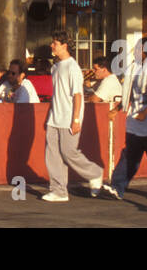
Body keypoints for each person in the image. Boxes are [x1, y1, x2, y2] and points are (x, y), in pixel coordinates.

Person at [41, 31, 104, 202]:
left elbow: (78, 95)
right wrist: (49, 116)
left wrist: (76, 119)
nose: (52, 46)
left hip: (69, 118)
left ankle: (95, 173)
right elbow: (57, 95)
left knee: (69, 153)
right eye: (52, 43)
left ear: (64, 45)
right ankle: (59, 191)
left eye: (55, 43)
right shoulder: (55, 67)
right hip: (54, 117)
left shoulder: (73, 67)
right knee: (52, 154)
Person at [101, 37, 147, 201]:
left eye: (140, 48)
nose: (136, 51)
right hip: (135, 120)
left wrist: (146, 112)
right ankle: (117, 187)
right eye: (136, 48)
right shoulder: (133, 67)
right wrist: (117, 109)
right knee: (130, 154)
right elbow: (128, 93)